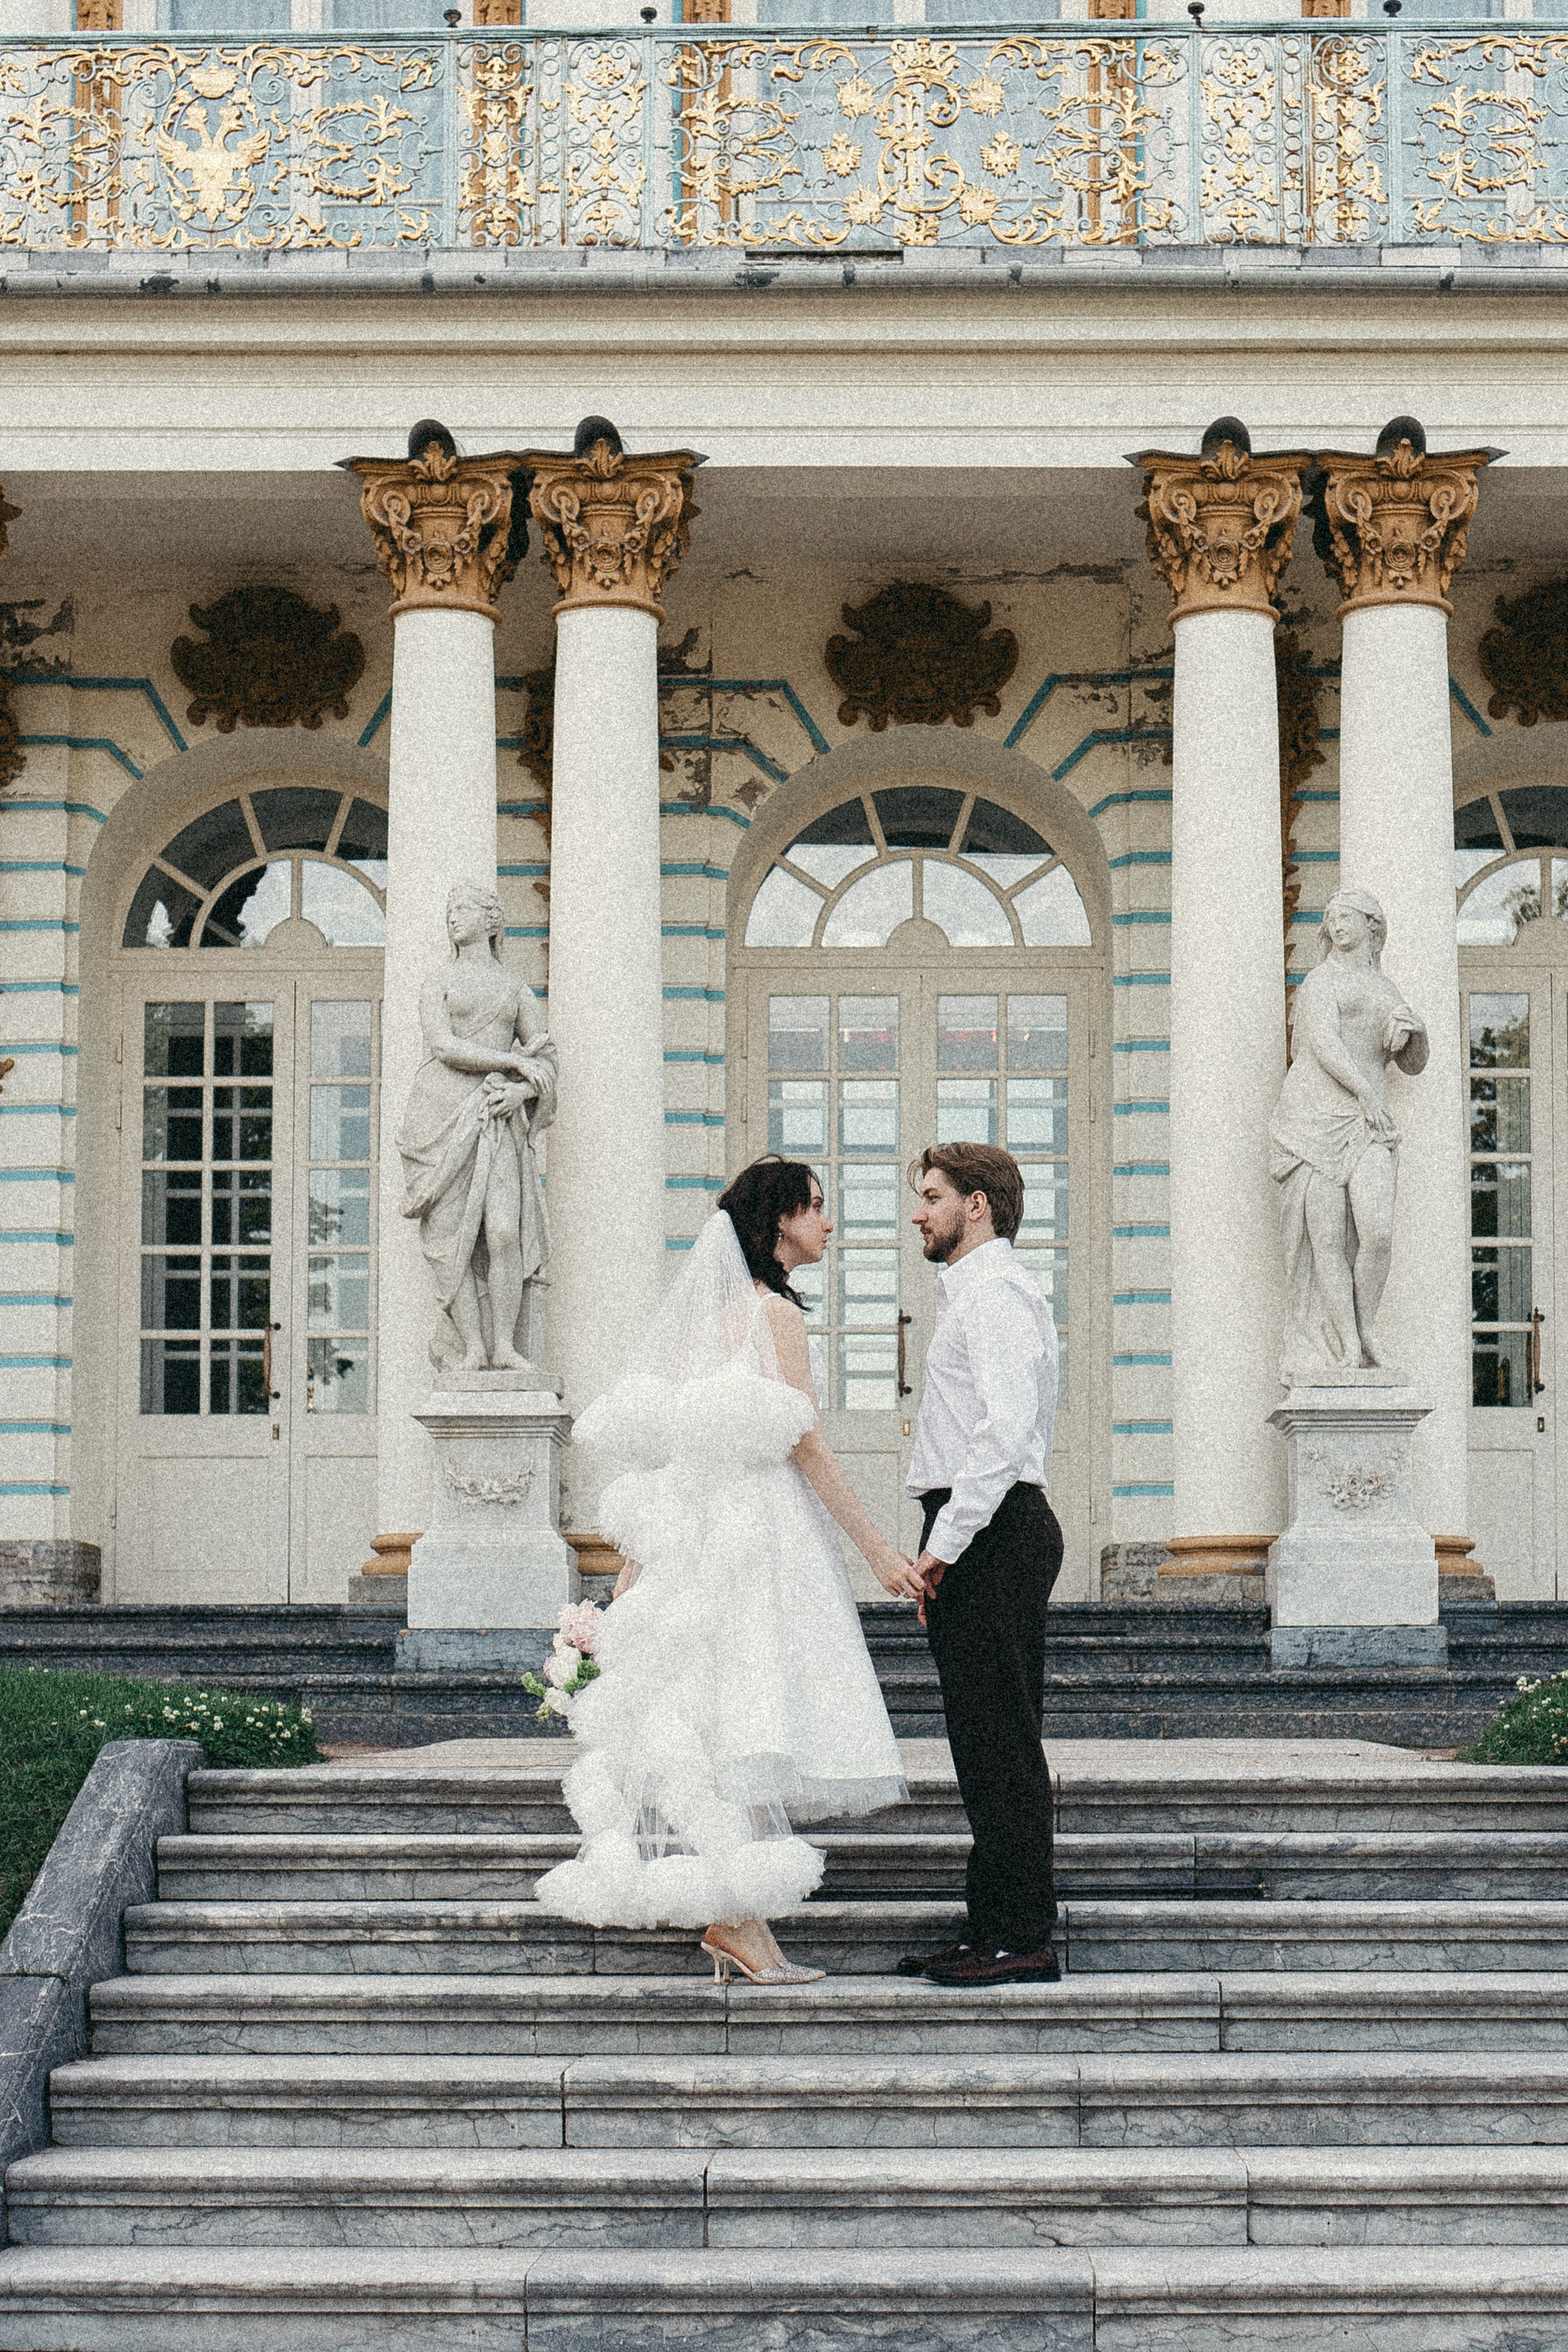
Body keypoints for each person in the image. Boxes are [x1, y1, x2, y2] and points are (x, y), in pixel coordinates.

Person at [532, 1157, 921, 1986]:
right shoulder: (773, 1315)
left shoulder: (711, 1318)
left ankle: (740, 1924)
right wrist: (879, 1551)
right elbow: (806, 1441)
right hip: (760, 1538)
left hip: (702, 1536)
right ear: (779, 1220)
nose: (828, 1224)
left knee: (726, 1721)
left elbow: (675, 1457)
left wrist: (629, 1586)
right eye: (817, 1209)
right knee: (753, 1715)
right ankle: (740, 1922)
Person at [899, 1141, 1063, 1988]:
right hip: (987, 1528)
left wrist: (941, 1551)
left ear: (979, 1206)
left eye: (932, 1196)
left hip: (992, 1529)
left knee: (1001, 1745)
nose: (918, 1213)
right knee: (984, 1743)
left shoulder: (994, 1293)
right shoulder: (978, 1293)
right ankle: (990, 1925)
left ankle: (1022, 1937)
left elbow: (1003, 1436)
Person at [1270, 885, 1428, 1383]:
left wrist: (1417, 1034)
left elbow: (1413, 1065)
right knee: (1328, 1242)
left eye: (1346, 918)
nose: (1336, 926)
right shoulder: (1322, 982)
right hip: (1315, 1118)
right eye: (1331, 919)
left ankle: (1368, 1327)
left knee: (1377, 1232)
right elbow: (1323, 1045)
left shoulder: (1387, 990)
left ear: (1371, 926)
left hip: (1367, 1122)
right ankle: (1349, 1346)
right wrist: (1367, 1093)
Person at [397, 883, 556, 1373]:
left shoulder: (514, 988)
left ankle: (505, 1345)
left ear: (492, 921)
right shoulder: (437, 981)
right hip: (439, 1113)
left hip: (495, 1114)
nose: (453, 918)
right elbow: (444, 1046)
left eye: (462, 909)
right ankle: (473, 1348)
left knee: (504, 1232)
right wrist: (512, 1061)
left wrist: (522, 1092)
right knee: (451, 1240)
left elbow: (546, 1057)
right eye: (449, 910)